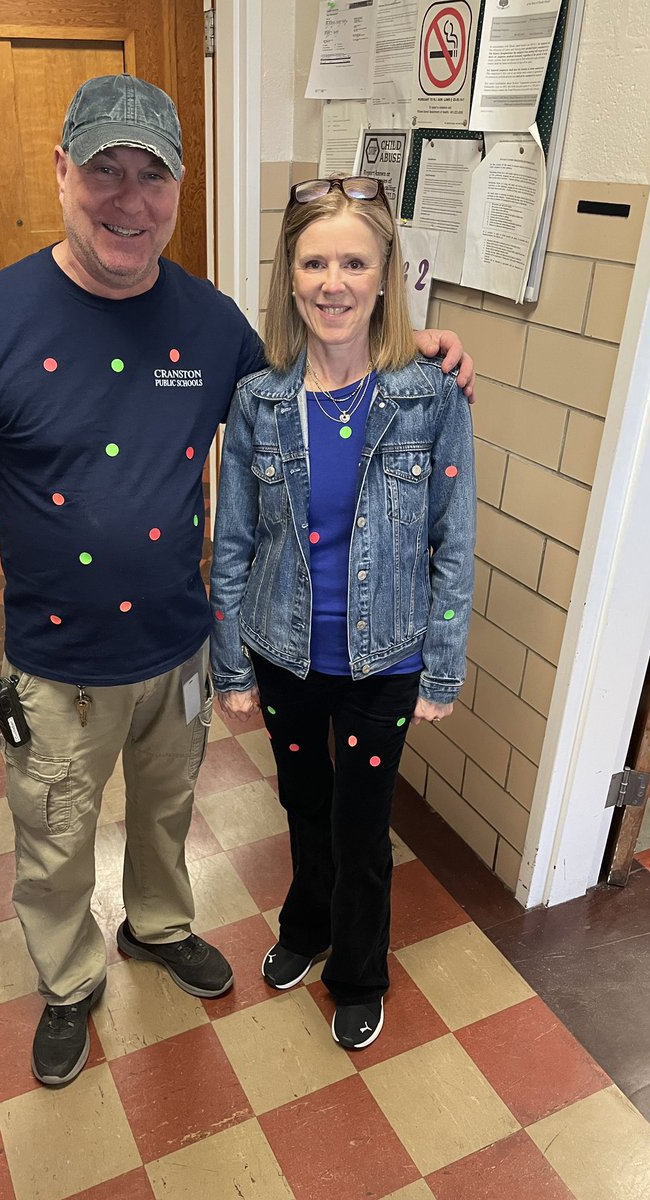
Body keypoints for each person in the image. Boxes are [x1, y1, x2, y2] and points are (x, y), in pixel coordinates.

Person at [0, 75, 475, 1087]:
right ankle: (71, 981)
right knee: (55, 840)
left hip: (179, 648)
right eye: (105, 171)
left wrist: (414, 346)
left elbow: (311, 375)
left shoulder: (209, 327)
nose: (128, 200)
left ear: (179, 187)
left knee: (166, 816)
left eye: (151, 175)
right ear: (62, 172)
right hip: (55, 663)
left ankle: (159, 927)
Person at [210, 175, 475, 1051]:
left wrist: (441, 663)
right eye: (315, 260)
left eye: (353, 262)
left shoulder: (428, 398)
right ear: (289, 274)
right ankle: (306, 926)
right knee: (303, 803)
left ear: (383, 274)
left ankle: (360, 971)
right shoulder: (257, 403)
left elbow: (452, 539)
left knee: (361, 826)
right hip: (286, 652)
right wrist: (231, 662)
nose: (334, 282)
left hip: (384, 662)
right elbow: (236, 542)